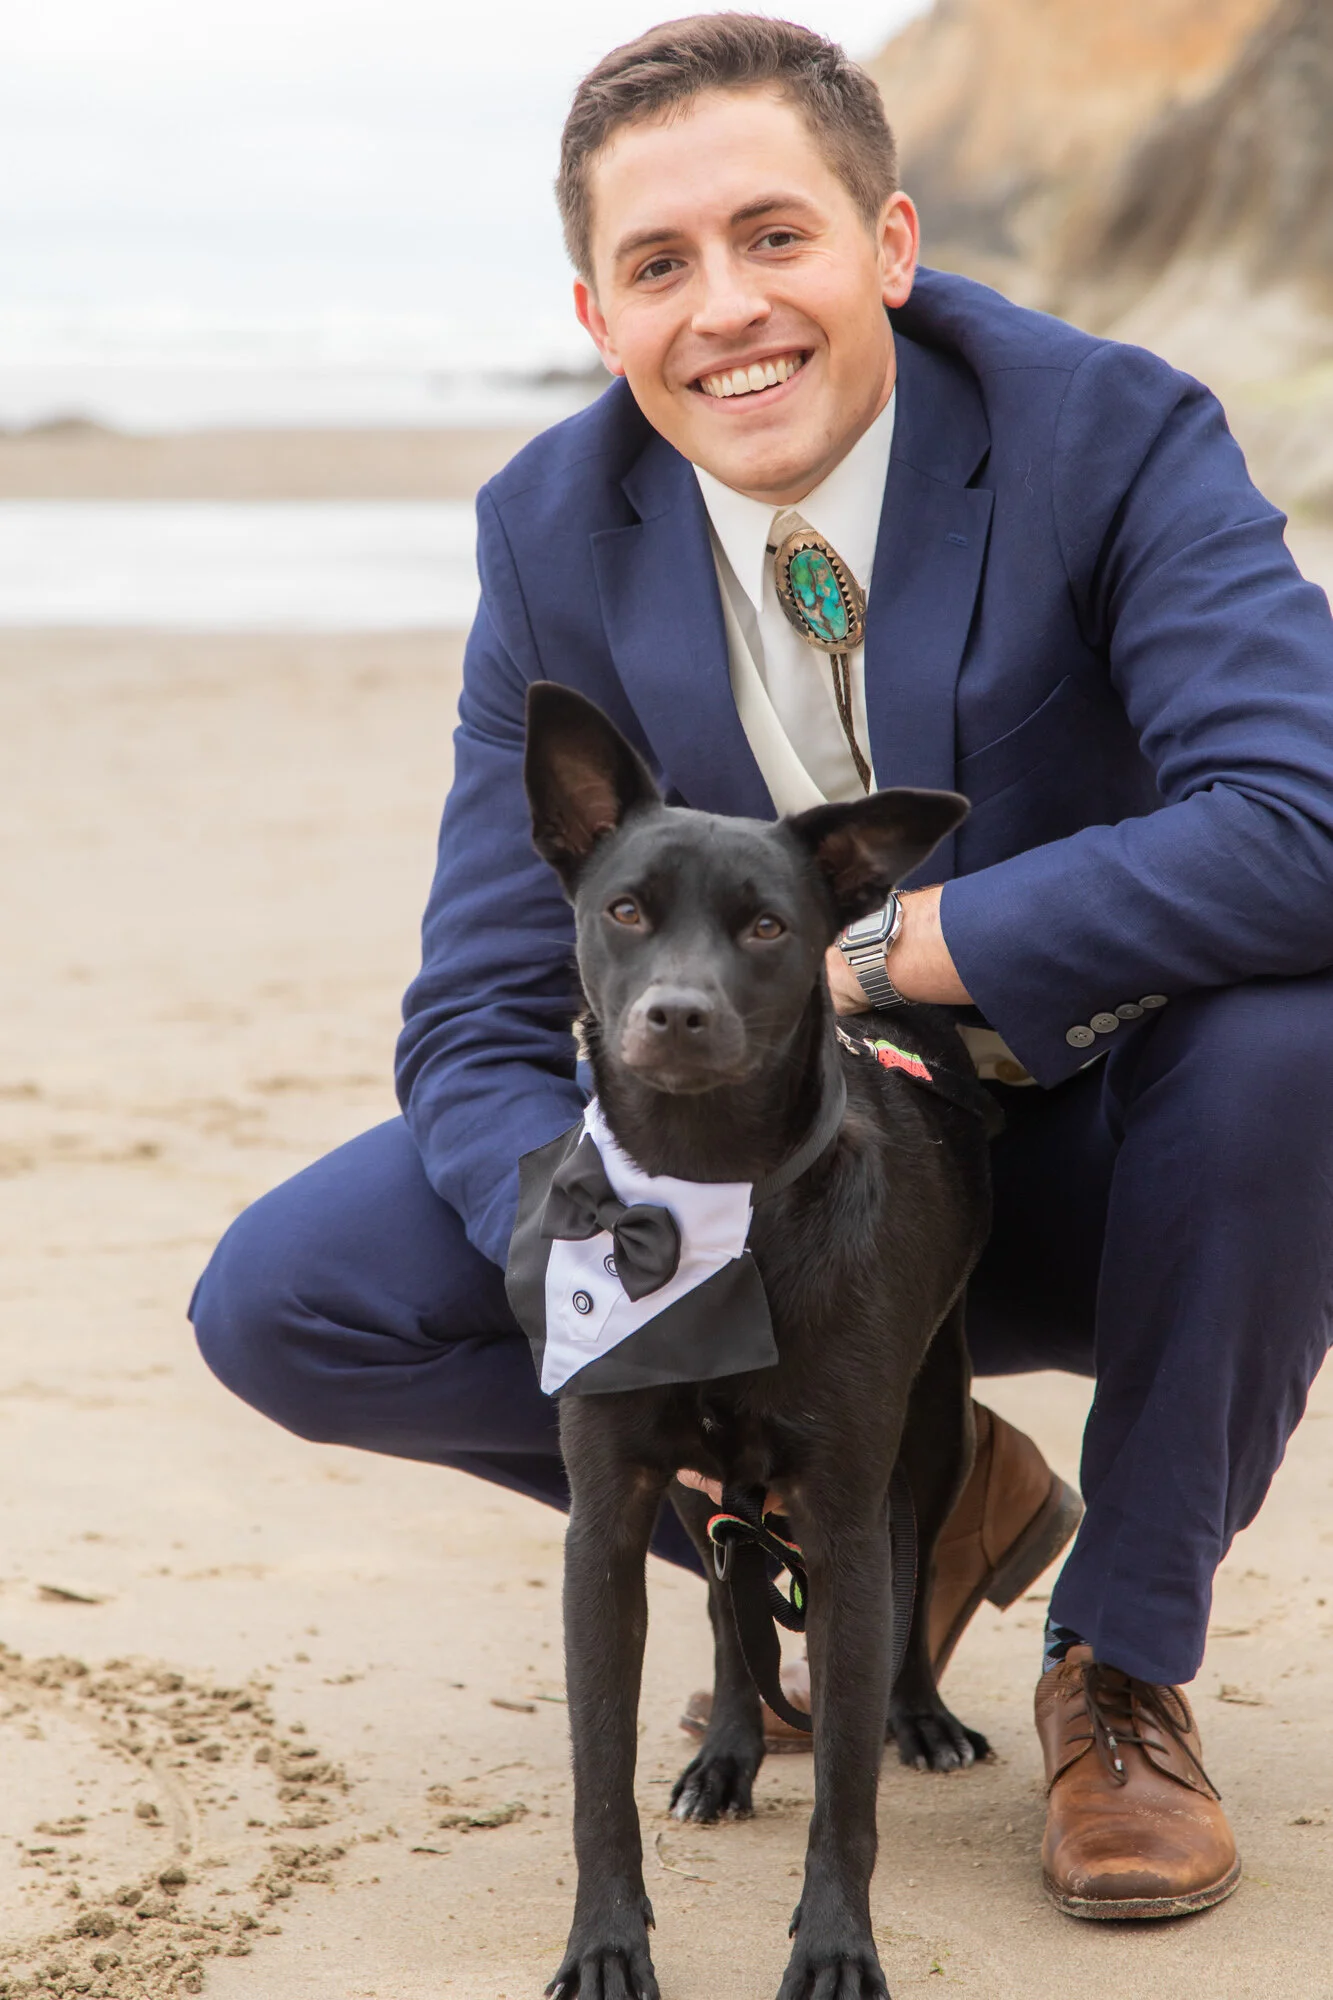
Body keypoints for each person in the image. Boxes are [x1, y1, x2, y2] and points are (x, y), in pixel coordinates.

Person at [190, 13, 1333, 1923]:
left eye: (773, 238)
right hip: (754, 1193)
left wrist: (898, 952)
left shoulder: (1108, 432)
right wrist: (588, 1262)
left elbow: (1305, 817)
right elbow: (481, 1005)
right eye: (659, 266)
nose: (726, 309)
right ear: (595, 308)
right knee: (291, 1301)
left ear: (888, 244)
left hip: (1108, 1153)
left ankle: (1119, 1664)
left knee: (1301, 1041)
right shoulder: (551, 529)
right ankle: (900, 1491)